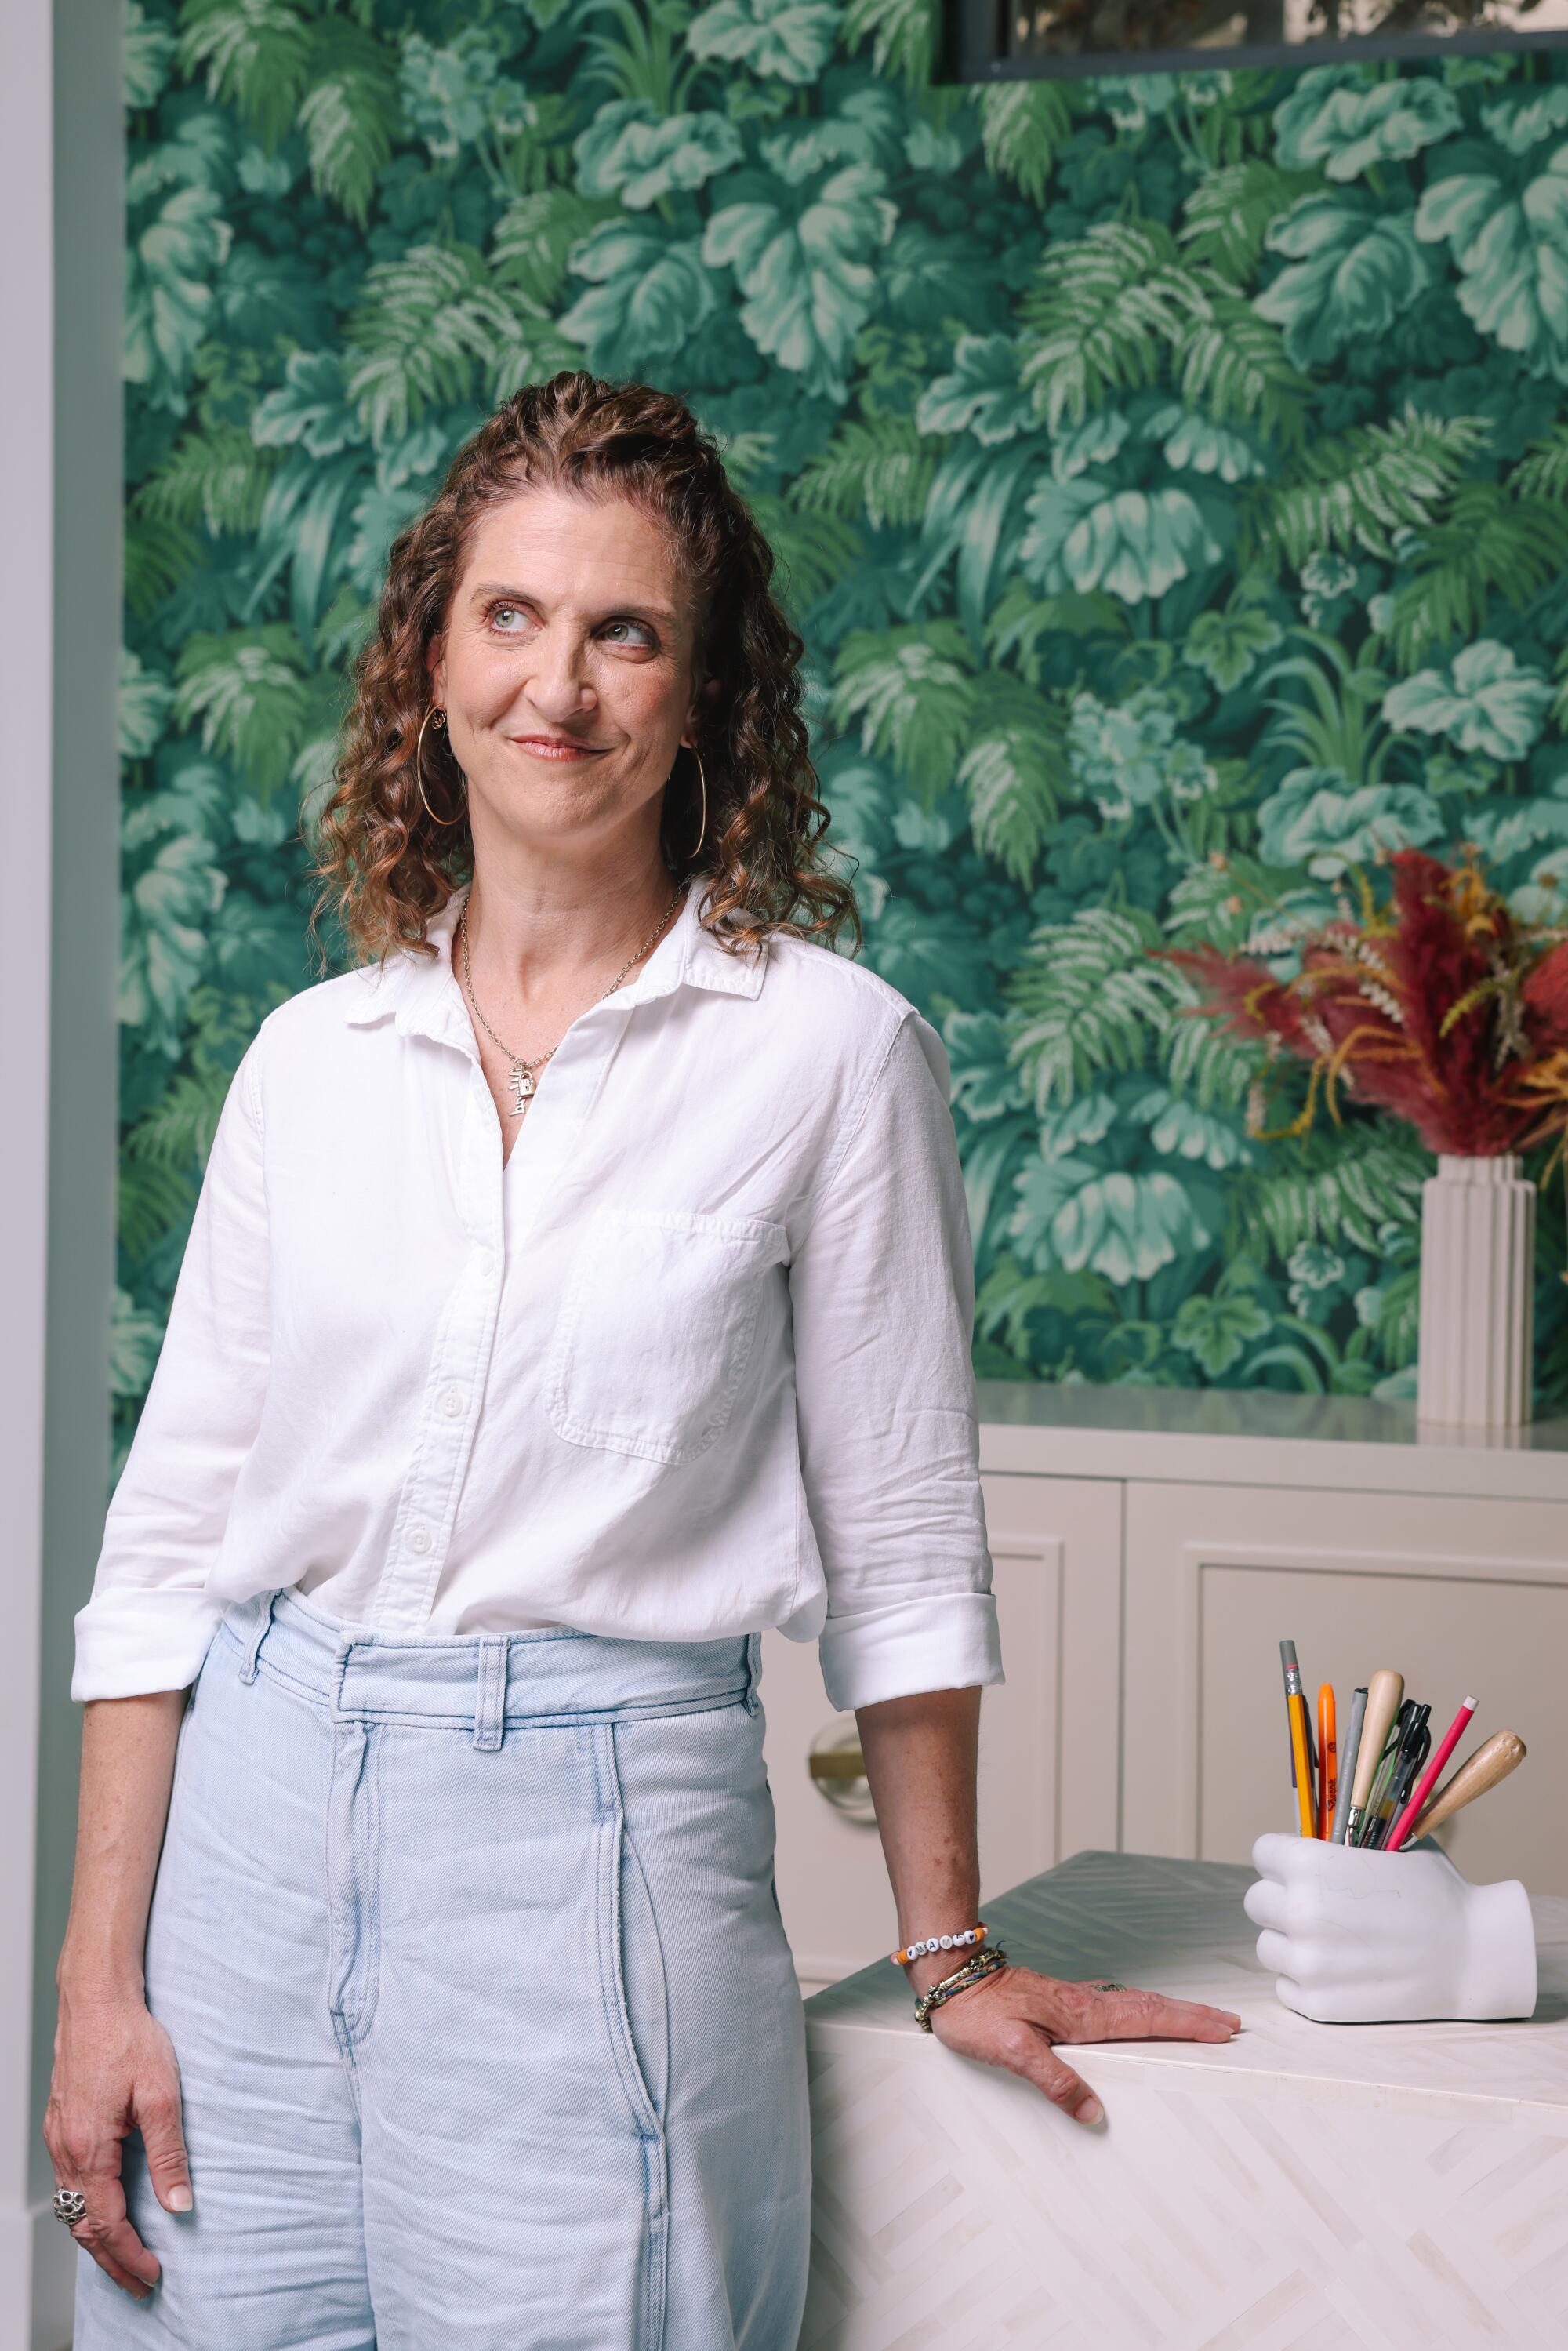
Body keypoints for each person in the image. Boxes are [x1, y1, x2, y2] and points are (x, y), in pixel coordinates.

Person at [48, 370, 1241, 2349]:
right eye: (509, 616)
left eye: (625, 632)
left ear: (704, 695)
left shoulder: (829, 1052)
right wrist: (99, 1979)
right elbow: (164, 1548)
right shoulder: (307, 1060)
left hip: (590, 1841)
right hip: (243, 1854)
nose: (560, 684)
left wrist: (946, 1949)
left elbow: (902, 1539)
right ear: (430, 658)